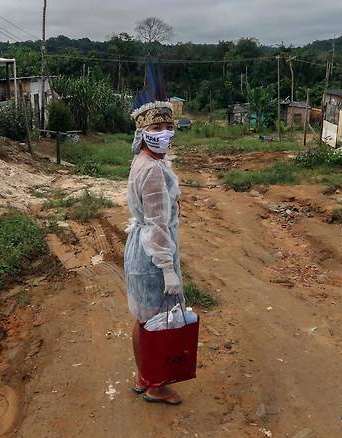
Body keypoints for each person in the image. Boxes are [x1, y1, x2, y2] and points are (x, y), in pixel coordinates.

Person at [125, 58, 185, 405]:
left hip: (141, 247)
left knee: (144, 317)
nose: (164, 132)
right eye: (156, 127)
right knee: (158, 320)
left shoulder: (145, 162)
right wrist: (167, 268)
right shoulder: (153, 171)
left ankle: (143, 376)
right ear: (143, 131)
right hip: (152, 252)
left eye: (168, 125)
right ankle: (156, 386)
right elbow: (159, 223)